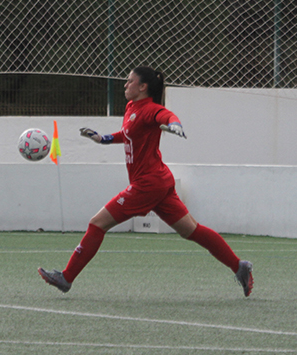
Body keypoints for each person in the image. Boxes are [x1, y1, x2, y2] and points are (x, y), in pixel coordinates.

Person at [38, 66, 254, 296]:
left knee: (97, 223)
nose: (125, 84)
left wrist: (175, 124)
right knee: (191, 230)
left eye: (129, 81)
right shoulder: (132, 107)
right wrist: (103, 139)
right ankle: (239, 266)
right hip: (159, 183)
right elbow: (128, 133)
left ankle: (66, 277)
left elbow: (166, 115)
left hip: (148, 185)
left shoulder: (150, 109)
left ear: (143, 87)